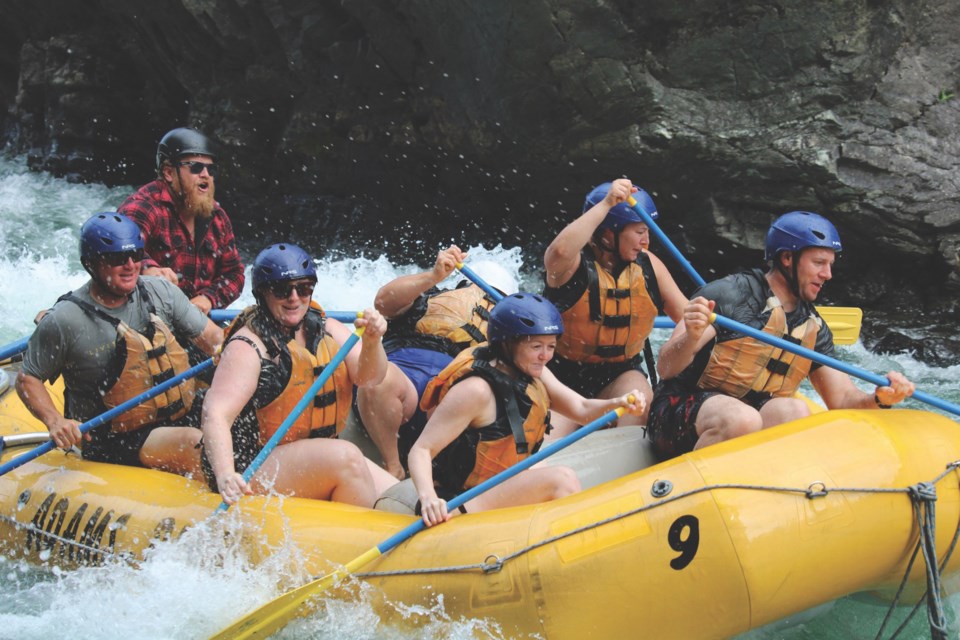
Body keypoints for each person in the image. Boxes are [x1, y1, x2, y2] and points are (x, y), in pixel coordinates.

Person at [648, 211, 916, 459]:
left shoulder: (812, 326)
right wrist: (691, 338)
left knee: (796, 412)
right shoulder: (728, 295)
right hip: (675, 415)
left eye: (830, 264)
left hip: (745, 418)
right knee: (742, 419)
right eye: (819, 263)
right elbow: (666, 367)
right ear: (787, 258)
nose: (828, 274)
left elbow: (843, 401)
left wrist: (880, 398)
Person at [407, 293, 644, 527]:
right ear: (508, 344)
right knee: (562, 479)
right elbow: (421, 449)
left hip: (497, 484)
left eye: (551, 346)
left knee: (541, 467)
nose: (545, 355)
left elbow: (581, 409)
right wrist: (429, 499)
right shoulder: (476, 390)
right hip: (457, 501)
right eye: (536, 346)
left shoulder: (533, 372)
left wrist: (619, 403)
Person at [15, 212, 224, 476]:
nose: (130, 265)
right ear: (91, 263)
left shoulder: (161, 292)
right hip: (110, 436)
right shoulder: (65, 320)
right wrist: (54, 421)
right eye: (116, 259)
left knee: (234, 418)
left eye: (136, 255)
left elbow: (215, 340)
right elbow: (27, 378)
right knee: (191, 443)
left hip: (175, 412)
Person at [200, 243, 398, 507]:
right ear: (263, 294)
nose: (294, 298)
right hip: (252, 466)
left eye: (303, 288)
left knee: (401, 497)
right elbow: (215, 414)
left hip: (313, 455)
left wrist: (373, 343)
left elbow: (370, 378)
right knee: (347, 458)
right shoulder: (248, 347)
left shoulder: (328, 328)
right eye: (283, 290)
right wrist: (226, 475)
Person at [357, 245, 519, 479]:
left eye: (493, 298)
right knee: (378, 382)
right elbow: (382, 302)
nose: (484, 301)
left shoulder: (511, 334)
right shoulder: (426, 297)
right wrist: (434, 276)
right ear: (462, 287)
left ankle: (435, 470)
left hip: (450, 397)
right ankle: (394, 465)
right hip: (403, 382)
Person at [542, 178, 687, 437]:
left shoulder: (649, 265)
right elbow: (560, 250)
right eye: (639, 232)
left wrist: (687, 340)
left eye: (648, 231)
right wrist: (608, 203)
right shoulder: (571, 266)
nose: (646, 241)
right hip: (562, 377)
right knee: (545, 442)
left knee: (639, 400)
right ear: (608, 233)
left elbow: (687, 317)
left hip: (618, 375)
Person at [118, 127, 245, 314]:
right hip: (149, 320)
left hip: (200, 322)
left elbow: (235, 274)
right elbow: (119, 252)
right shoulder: (142, 207)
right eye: (195, 167)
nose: (205, 175)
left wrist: (208, 298)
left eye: (211, 169)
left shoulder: (217, 217)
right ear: (169, 173)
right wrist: (148, 269)